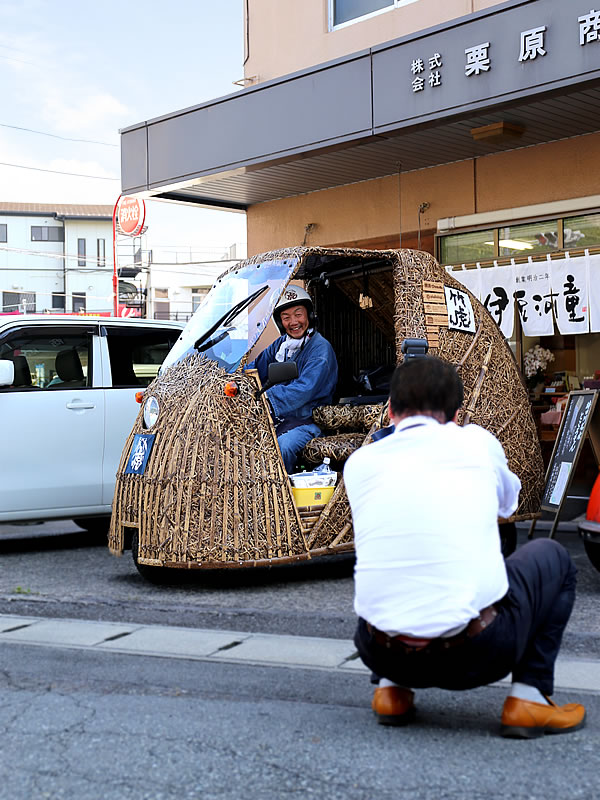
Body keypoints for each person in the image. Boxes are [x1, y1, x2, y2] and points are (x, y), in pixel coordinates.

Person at [343, 354, 584, 739]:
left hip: (379, 650)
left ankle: (390, 690)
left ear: (389, 411)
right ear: (457, 415)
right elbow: (508, 506)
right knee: (552, 557)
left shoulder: (359, 463)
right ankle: (529, 697)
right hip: (476, 656)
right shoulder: (477, 443)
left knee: (395, 553)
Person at [249, 286, 338, 473]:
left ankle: (283, 495)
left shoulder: (320, 349)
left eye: (298, 314)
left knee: (282, 446)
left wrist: (266, 398)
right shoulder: (282, 345)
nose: (293, 322)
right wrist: (237, 379)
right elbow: (256, 367)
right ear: (280, 323)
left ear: (309, 315)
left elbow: (304, 389)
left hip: (310, 422)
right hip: (282, 418)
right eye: (286, 317)